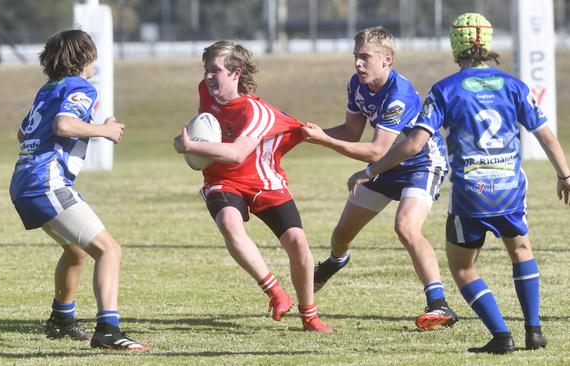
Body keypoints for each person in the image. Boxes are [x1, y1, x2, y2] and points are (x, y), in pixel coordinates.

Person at [347, 13, 570, 354]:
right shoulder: (513, 86)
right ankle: (534, 330)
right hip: (510, 189)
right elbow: (545, 135)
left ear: (455, 45)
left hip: (472, 194)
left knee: (463, 266)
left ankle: (500, 335)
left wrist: (373, 170)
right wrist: (564, 175)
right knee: (522, 251)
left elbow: (413, 145)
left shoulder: (446, 90)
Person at [301, 26, 458, 331]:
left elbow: (375, 151)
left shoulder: (397, 94)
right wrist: (303, 134)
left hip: (420, 163)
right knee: (341, 235)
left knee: (406, 226)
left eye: (365, 57)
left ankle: (438, 303)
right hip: (386, 166)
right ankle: (336, 261)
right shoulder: (357, 85)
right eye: (355, 57)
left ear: (387, 58)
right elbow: (349, 133)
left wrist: (322, 140)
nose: (358, 64)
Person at [173, 40, 333, 333]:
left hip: (264, 181)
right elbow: (205, 125)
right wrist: (189, 147)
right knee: (229, 223)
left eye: (215, 70)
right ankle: (275, 292)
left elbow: (236, 152)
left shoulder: (256, 112)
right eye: (206, 69)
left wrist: (191, 146)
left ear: (235, 73)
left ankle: (310, 317)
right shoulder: (204, 92)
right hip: (222, 180)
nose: (208, 77)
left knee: (298, 244)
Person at [9, 29, 149, 351]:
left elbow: (22, 133)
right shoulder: (80, 86)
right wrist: (105, 130)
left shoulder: (48, 89)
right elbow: (63, 125)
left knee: (76, 250)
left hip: (24, 182)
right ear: (87, 57)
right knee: (109, 250)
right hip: (45, 182)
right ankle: (109, 330)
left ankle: (61, 321)